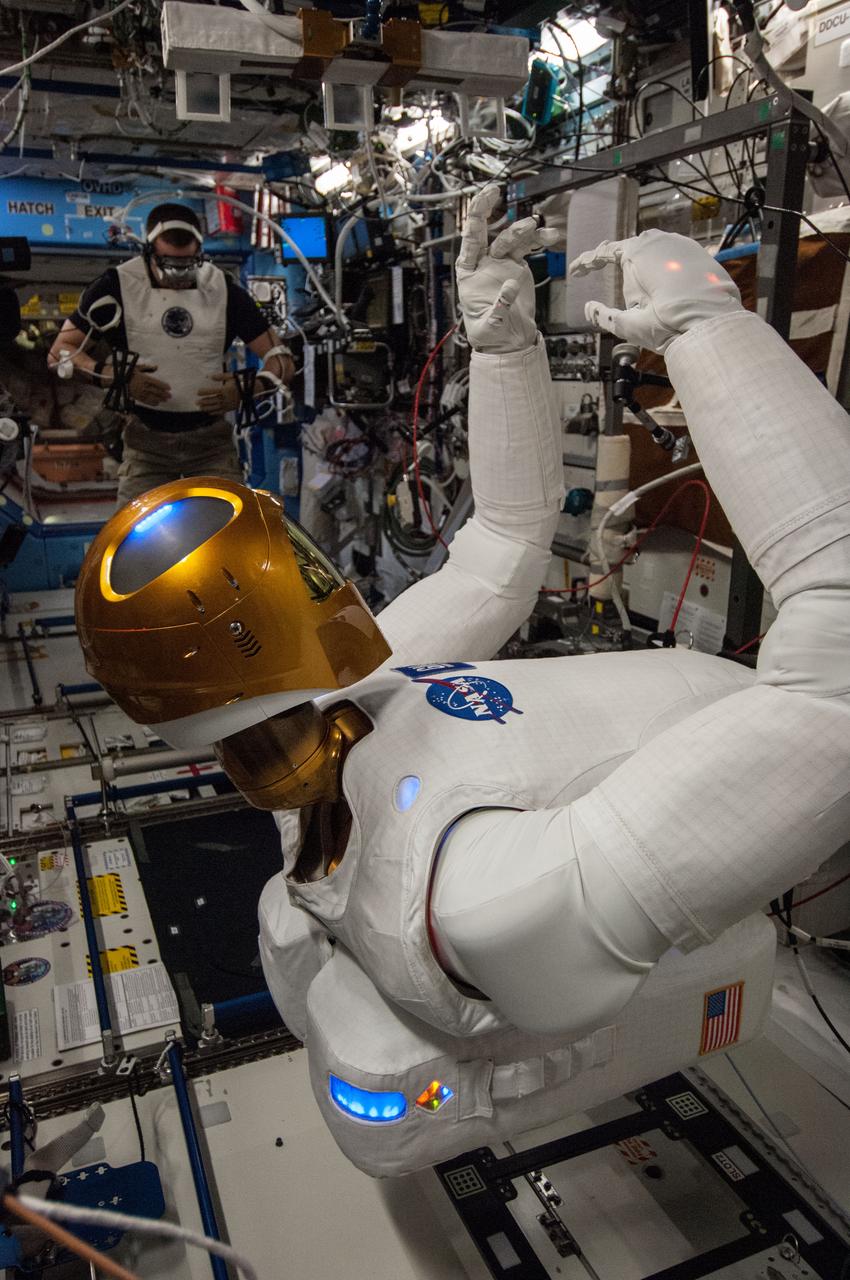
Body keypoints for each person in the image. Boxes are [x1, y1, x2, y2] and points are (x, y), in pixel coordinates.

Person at [74, 188, 849, 1171]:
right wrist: (710, 327)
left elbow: (503, 546)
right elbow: (837, 689)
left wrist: (501, 340)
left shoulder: (344, 718)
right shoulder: (477, 900)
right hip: (739, 765)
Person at [47, 202, 294, 506]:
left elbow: (282, 359)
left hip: (211, 444)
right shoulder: (116, 286)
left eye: (187, 264)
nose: (179, 274)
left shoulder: (224, 290)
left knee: (228, 533)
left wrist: (248, 388)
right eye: (169, 264)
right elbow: (60, 352)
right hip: (145, 444)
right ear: (149, 252)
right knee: (134, 541)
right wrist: (117, 378)